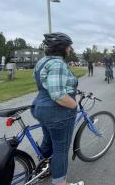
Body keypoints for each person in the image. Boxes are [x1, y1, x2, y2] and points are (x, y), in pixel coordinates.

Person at [31, 32, 84, 185]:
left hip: (40, 107)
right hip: (56, 112)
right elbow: (58, 95)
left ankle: (44, 168)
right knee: (60, 149)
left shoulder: (42, 62)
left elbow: (46, 84)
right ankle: (60, 182)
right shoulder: (58, 64)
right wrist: (74, 105)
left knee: (48, 139)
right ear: (62, 48)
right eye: (69, 46)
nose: (70, 49)